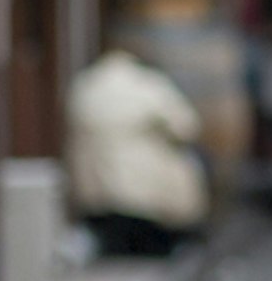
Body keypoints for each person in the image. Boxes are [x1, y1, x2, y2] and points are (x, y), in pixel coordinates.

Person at [61, 45, 210, 254]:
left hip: (93, 188)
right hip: (144, 190)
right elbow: (186, 127)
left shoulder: (84, 84)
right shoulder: (148, 84)